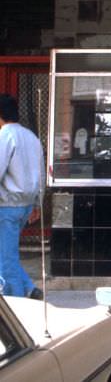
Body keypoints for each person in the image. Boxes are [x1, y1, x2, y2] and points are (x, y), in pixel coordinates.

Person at [0, 94, 44, 299]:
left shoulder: (4, 136)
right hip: (25, 205)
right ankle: (28, 288)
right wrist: (38, 204)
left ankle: (16, 304)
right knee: (8, 253)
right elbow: (42, 173)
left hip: (6, 206)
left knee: (5, 259)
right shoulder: (31, 137)